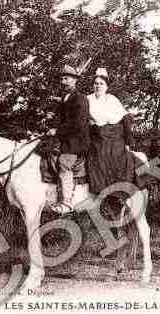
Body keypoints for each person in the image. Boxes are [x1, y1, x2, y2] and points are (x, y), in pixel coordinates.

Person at [86, 68, 146, 200]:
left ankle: (120, 192)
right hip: (96, 134)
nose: (98, 86)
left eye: (101, 83)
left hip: (114, 133)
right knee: (99, 155)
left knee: (120, 156)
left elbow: (125, 120)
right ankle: (101, 190)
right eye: (96, 83)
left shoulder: (112, 99)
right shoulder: (88, 99)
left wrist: (129, 142)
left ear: (106, 86)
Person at [48, 64, 91, 214]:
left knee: (64, 163)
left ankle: (66, 203)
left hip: (77, 142)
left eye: (67, 78)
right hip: (65, 140)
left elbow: (78, 123)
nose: (64, 81)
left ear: (75, 80)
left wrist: (57, 130)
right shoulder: (64, 99)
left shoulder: (80, 99)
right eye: (62, 79)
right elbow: (59, 119)